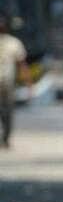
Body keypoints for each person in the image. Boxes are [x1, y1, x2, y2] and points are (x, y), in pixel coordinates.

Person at [0, 13, 31, 148]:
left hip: (7, 82)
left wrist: (28, 83)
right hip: (7, 82)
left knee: (8, 111)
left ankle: (6, 138)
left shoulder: (14, 43)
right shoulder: (14, 42)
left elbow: (22, 64)